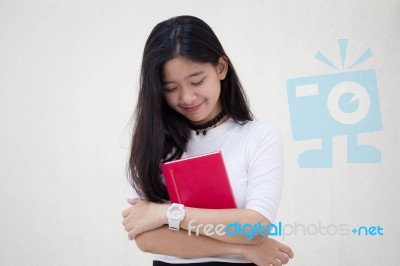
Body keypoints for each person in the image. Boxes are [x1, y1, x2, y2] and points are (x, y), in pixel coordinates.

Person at [122, 15, 294, 266]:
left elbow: (255, 227)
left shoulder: (259, 137)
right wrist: (243, 249)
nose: (187, 97)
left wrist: (164, 213)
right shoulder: (152, 141)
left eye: (197, 81)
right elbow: (147, 238)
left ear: (221, 68)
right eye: (171, 88)